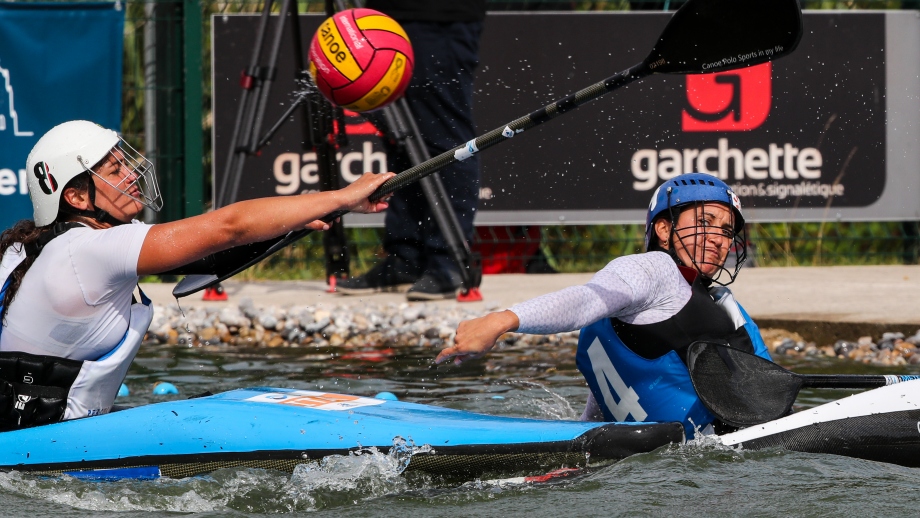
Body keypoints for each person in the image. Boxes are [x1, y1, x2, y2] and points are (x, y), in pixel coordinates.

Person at [0, 120, 393, 429]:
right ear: (77, 197)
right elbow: (228, 227)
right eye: (115, 169)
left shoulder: (29, 249)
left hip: (31, 425)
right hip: (43, 437)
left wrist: (297, 219)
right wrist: (343, 196)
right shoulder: (89, 250)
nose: (132, 174)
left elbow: (211, 252)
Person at [436, 173, 772, 437]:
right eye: (705, 222)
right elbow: (587, 299)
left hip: (675, 465)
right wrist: (502, 321)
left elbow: (608, 409)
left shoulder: (720, 307)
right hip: (700, 464)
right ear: (664, 230)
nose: (718, 238)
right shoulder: (652, 269)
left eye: (727, 230)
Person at [336, 1, 486, 300]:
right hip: (384, 15)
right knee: (398, 137)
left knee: (445, 138)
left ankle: (449, 262)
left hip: (438, 17)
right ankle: (405, 258)